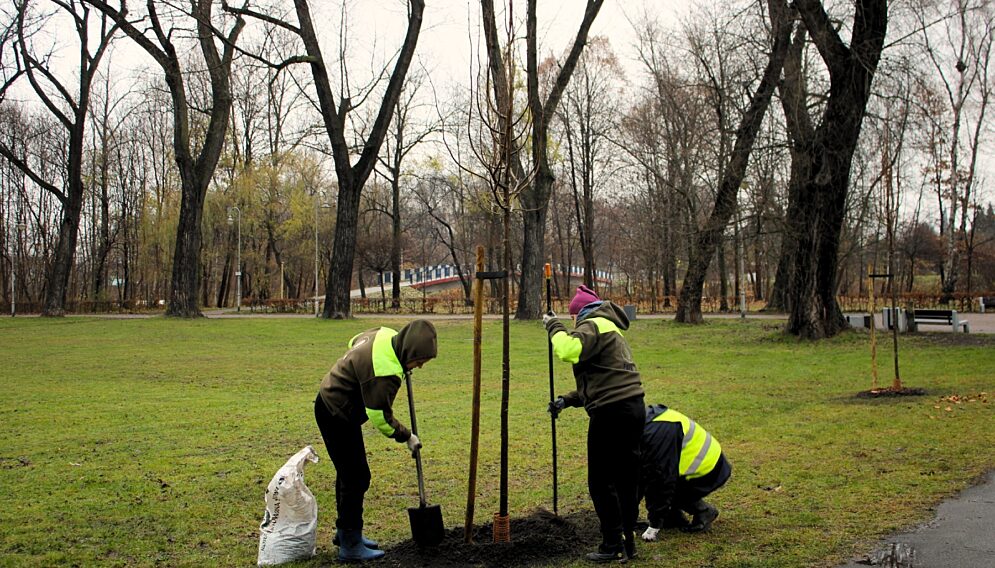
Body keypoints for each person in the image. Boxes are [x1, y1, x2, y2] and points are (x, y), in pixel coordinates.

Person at [313, 320, 437, 562]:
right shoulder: (385, 372)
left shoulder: (386, 335)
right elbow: (380, 417)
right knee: (356, 476)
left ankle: (345, 532)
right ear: (409, 351)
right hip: (335, 412)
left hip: (332, 401)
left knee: (349, 474)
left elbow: (356, 341)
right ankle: (350, 543)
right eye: (420, 360)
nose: (420, 366)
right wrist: (407, 436)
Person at [545, 284, 645, 563]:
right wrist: (568, 400)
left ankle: (611, 544)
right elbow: (604, 380)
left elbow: (567, 350)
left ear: (577, 314)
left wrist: (553, 325)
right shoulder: (609, 326)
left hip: (611, 413)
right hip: (632, 406)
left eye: (572, 318)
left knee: (601, 482)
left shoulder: (591, 325)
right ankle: (629, 542)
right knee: (625, 479)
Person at [638, 404, 731, 542]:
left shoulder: (657, 433)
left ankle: (703, 511)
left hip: (708, 470)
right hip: (695, 467)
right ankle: (673, 517)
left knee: (657, 481)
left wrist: (654, 524)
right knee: (650, 474)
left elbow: (661, 479)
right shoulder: (645, 421)